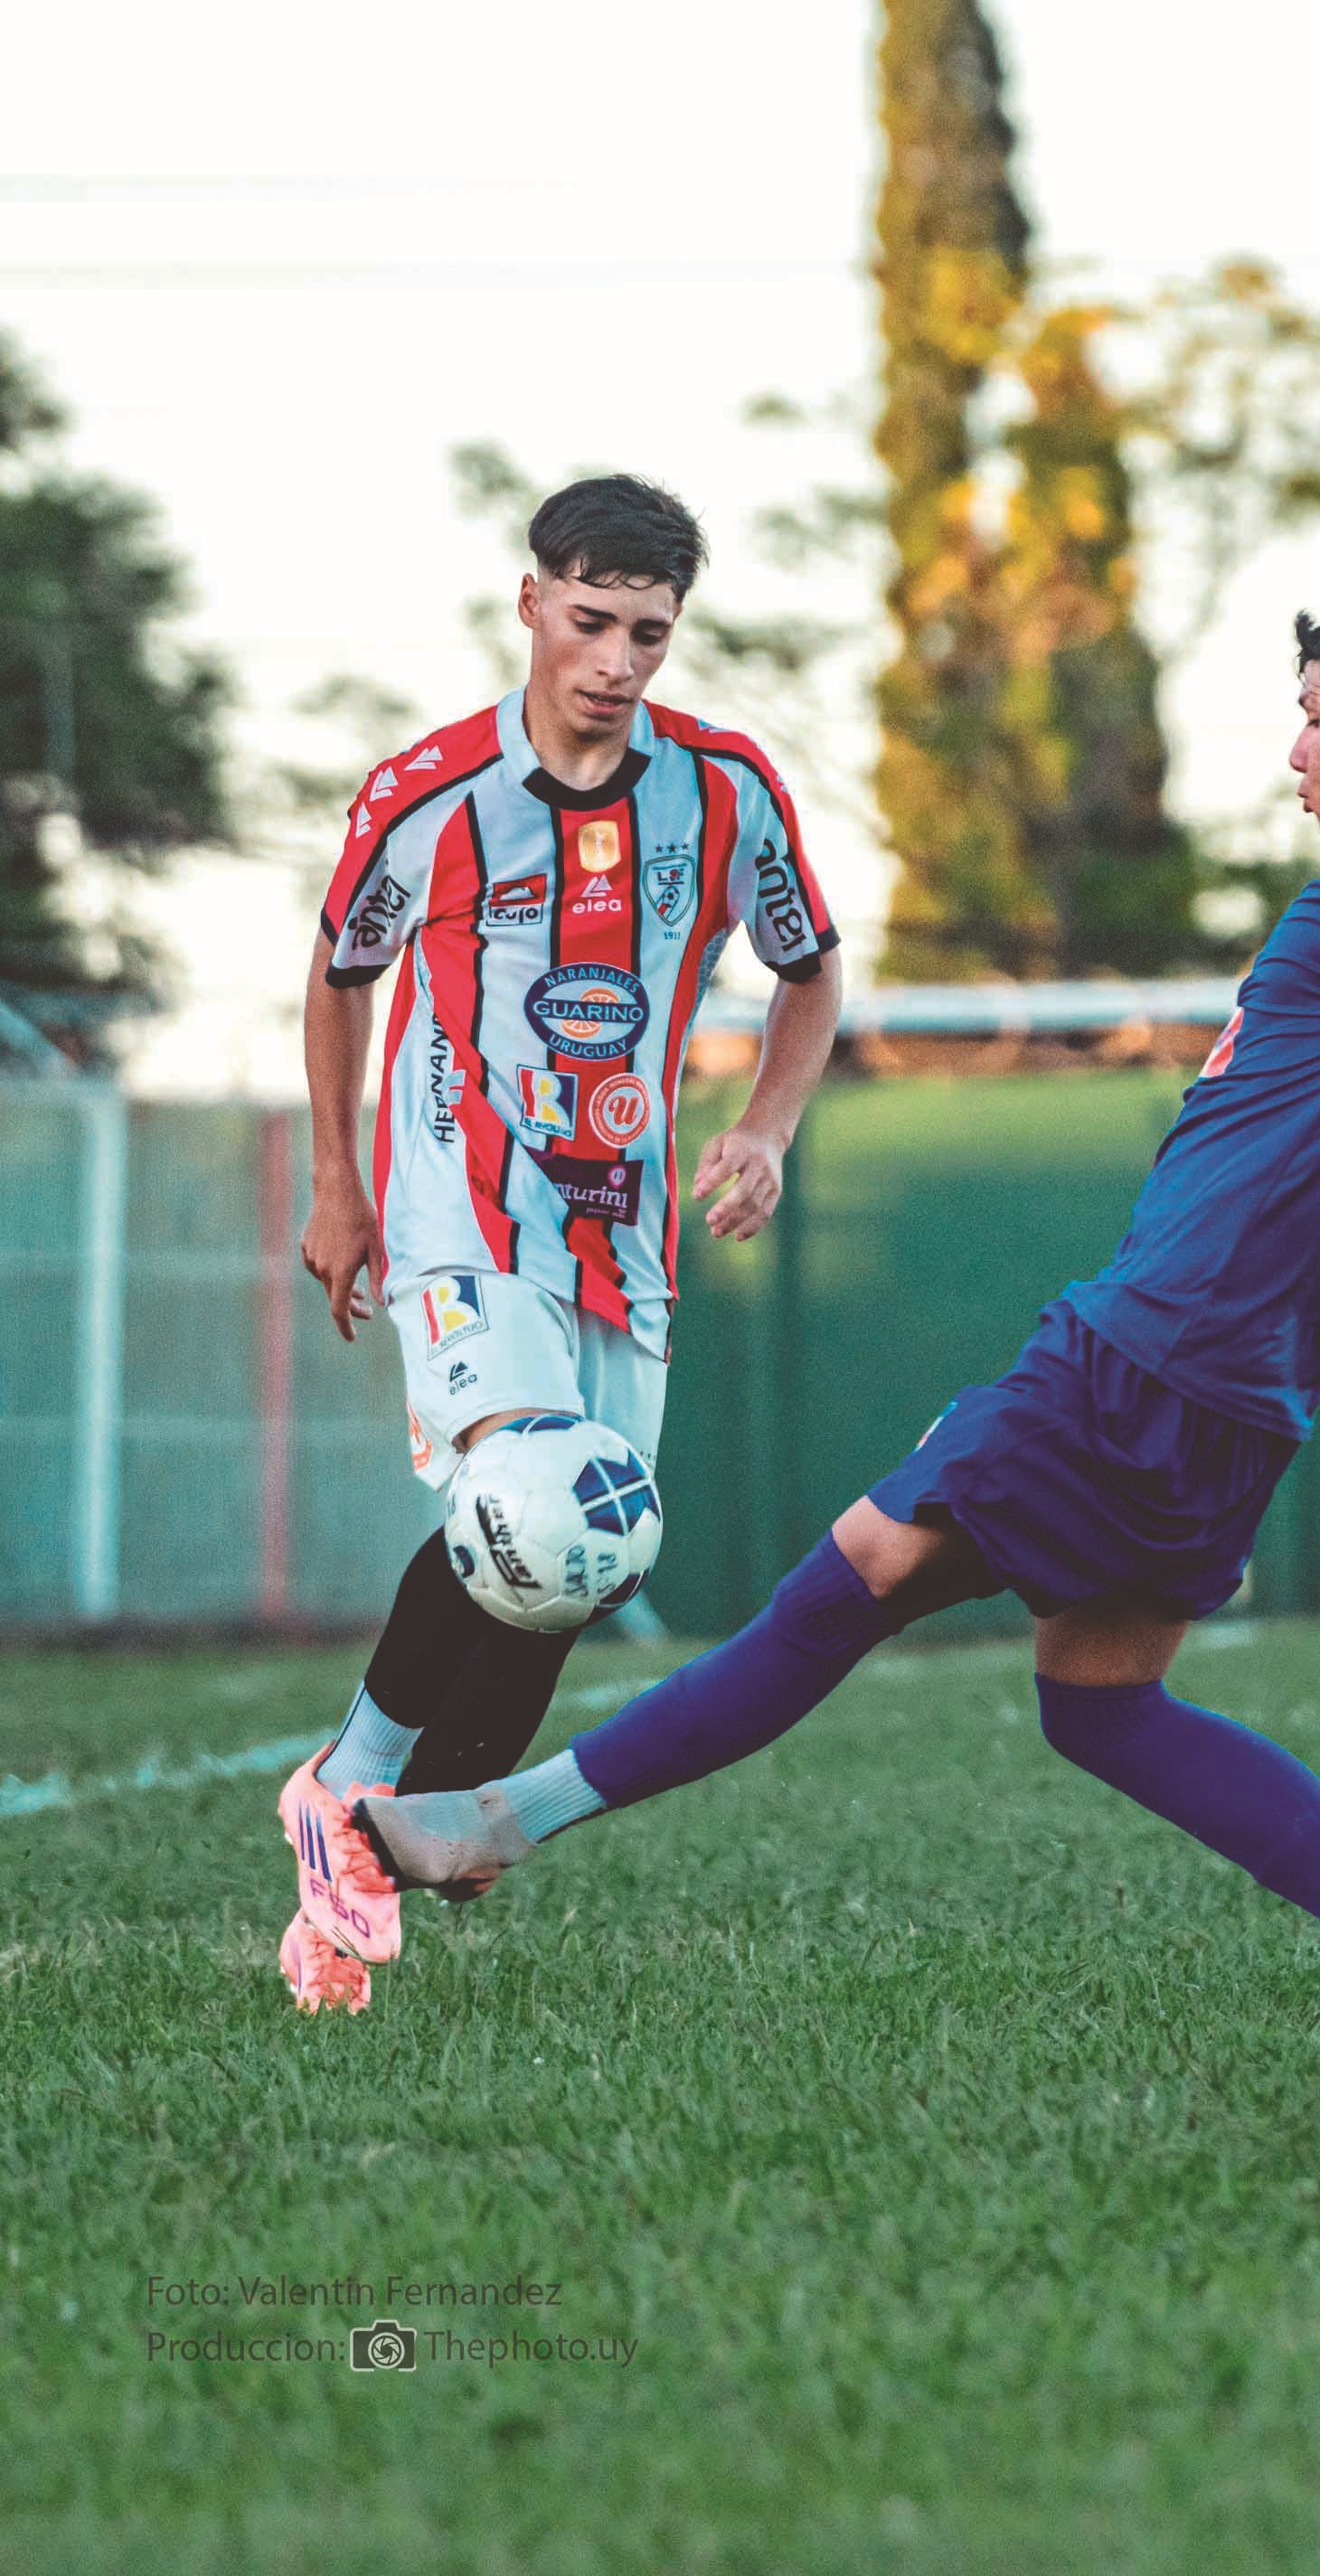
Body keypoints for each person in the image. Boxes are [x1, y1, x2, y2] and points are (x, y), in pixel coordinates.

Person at [324, 586, 1320, 2017]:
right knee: (1100, 1701)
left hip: (1151, 1347)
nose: (1297, 753)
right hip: (1246, 1388)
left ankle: (488, 1821)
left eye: (1309, 714)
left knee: (843, 1582)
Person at [278, 474, 842, 2010]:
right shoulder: (430, 790)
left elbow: (809, 969)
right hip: (459, 1197)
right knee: (534, 1493)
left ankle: (399, 1839)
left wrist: (765, 1129)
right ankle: (344, 1783)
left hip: (627, 1224)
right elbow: (342, 975)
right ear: (530, 599)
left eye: (648, 633)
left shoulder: (722, 791)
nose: (615, 658)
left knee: (586, 1557)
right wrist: (339, 1182)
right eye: (589, 619)